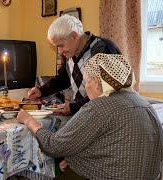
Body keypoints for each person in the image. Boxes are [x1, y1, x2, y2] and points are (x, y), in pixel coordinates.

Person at [18, 53, 163, 179]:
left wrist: (29, 120)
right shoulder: (144, 104)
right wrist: (76, 158)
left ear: (97, 83)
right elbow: (113, 143)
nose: (86, 88)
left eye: (87, 82)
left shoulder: (99, 106)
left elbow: (54, 146)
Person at [28, 14, 121, 115]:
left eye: (61, 46)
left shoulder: (104, 48)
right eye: (56, 47)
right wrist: (41, 91)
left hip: (106, 114)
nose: (59, 51)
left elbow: (109, 90)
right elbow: (63, 78)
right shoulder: (70, 52)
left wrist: (74, 107)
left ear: (74, 36)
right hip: (83, 113)